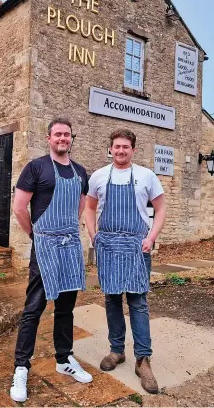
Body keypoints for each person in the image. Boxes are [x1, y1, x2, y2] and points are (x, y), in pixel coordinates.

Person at [10, 117, 92, 403]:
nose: (62, 139)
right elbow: (20, 207)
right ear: (49, 138)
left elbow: (80, 207)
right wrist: (36, 234)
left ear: (72, 138)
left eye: (67, 134)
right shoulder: (36, 167)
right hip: (44, 244)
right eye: (58, 134)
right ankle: (21, 367)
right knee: (33, 308)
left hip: (69, 245)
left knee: (66, 308)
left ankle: (64, 359)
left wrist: (66, 231)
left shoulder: (81, 172)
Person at [85, 128, 166, 394]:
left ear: (133, 149)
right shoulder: (98, 176)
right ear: (111, 149)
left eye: (125, 147)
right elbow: (89, 207)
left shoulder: (147, 176)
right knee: (111, 299)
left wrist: (151, 237)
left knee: (138, 302)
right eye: (116, 147)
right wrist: (93, 235)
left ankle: (143, 360)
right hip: (107, 245)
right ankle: (117, 350)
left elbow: (161, 208)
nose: (120, 151)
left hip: (136, 245)